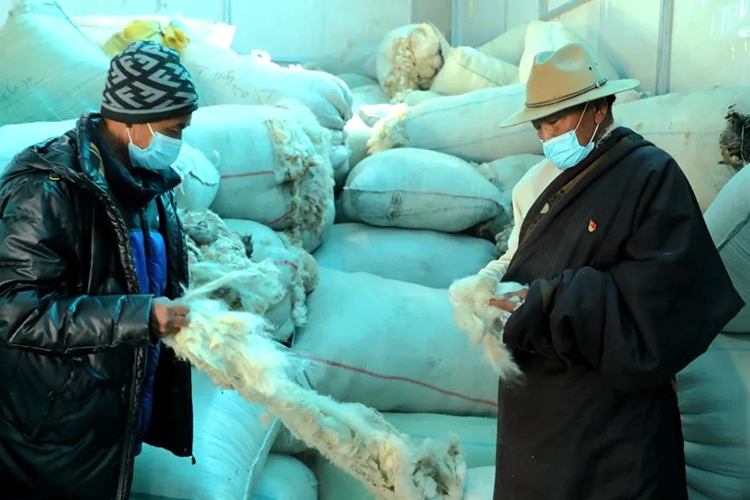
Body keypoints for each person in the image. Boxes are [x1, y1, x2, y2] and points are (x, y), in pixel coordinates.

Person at [480, 43, 744, 499]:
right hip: (538, 406)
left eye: (557, 120)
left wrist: (554, 300)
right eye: (539, 124)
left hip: (612, 415)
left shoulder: (650, 176)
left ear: (599, 108)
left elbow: (664, 295)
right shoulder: (534, 184)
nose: (547, 135)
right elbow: (518, 255)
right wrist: (488, 283)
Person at [0, 41, 198, 500]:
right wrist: (142, 317)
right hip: (55, 430)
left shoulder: (149, 183)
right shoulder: (46, 187)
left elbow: (147, 272)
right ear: (133, 120)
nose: (178, 142)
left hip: (114, 415)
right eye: (173, 129)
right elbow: (15, 309)